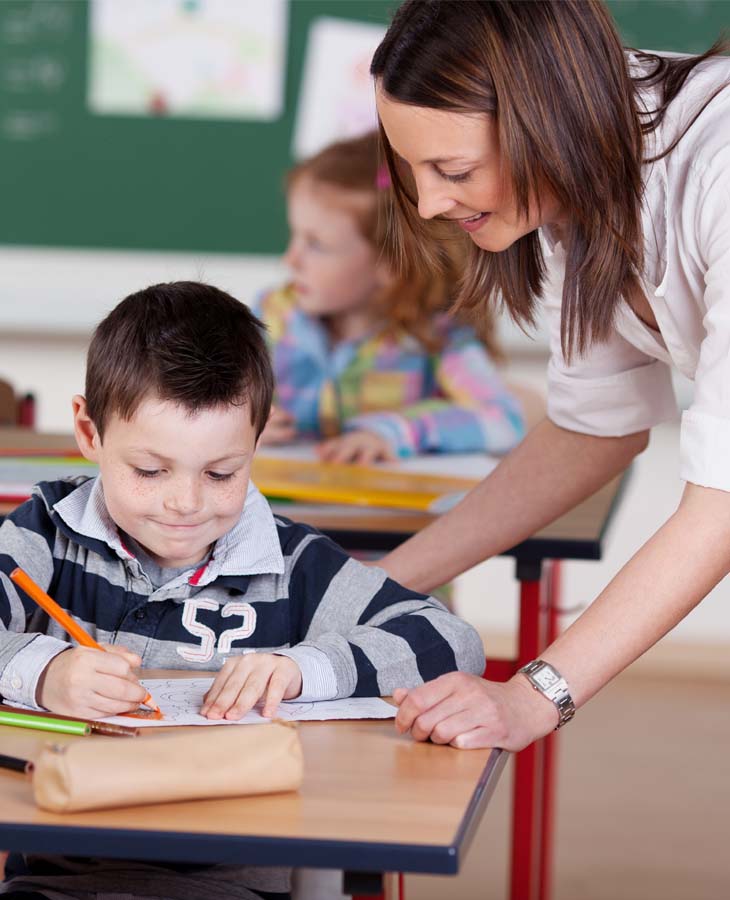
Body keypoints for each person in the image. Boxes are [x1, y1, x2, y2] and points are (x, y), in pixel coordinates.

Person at [0, 281, 485, 900]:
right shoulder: (47, 533)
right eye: (150, 471)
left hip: (228, 885)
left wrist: (301, 667)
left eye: (221, 472)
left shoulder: (294, 564)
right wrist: (44, 670)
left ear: (256, 442)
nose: (186, 502)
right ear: (90, 433)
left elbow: (452, 643)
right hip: (56, 879)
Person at [365, 0, 730, 751]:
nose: (430, 203)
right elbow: (596, 427)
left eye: (454, 170)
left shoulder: (719, 171)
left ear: (548, 123)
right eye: (412, 170)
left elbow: (721, 507)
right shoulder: (580, 180)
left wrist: (534, 698)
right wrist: (374, 588)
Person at [254, 130, 524, 464]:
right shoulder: (268, 318)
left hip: (390, 514)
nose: (291, 259)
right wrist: (237, 425)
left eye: (316, 245)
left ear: (392, 262)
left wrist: (396, 432)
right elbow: (197, 402)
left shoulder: (437, 338)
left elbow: (504, 420)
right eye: (295, 236)